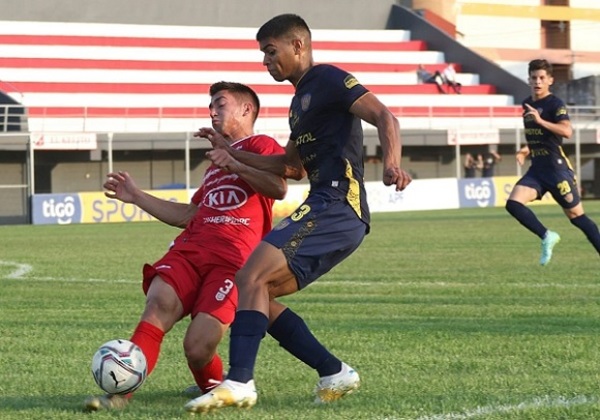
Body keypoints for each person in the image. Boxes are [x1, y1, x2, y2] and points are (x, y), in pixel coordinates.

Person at [185, 13, 412, 413]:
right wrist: (230, 152)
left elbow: (384, 117)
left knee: (250, 275)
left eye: (270, 52)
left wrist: (392, 163)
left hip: (339, 204)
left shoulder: (326, 79)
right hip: (322, 203)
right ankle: (334, 371)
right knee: (260, 293)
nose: (265, 61)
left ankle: (239, 381)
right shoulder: (298, 105)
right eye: (262, 54)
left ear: (297, 46)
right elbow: (292, 168)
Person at [84, 81, 287, 411]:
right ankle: (120, 395)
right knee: (157, 305)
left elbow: (278, 188)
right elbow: (190, 215)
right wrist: (136, 196)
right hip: (191, 251)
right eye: (211, 106)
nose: (212, 111)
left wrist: (234, 162)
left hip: (233, 262)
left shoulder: (262, 145)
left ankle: (215, 386)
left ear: (246, 109)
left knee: (197, 346)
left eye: (220, 104)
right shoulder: (213, 168)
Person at [505, 59, 600, 266]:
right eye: (533, 78)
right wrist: (526, 149)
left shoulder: (555, 104)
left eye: (541, 78)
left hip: (557, 170)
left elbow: (566, 131)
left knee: (577, 217)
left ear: (550, 80)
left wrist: (540, 121)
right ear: (528, 80)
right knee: (513, 204)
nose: (537, 82)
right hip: (537, 169)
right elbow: (541, 136)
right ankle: (547, 235)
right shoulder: (527, 104)